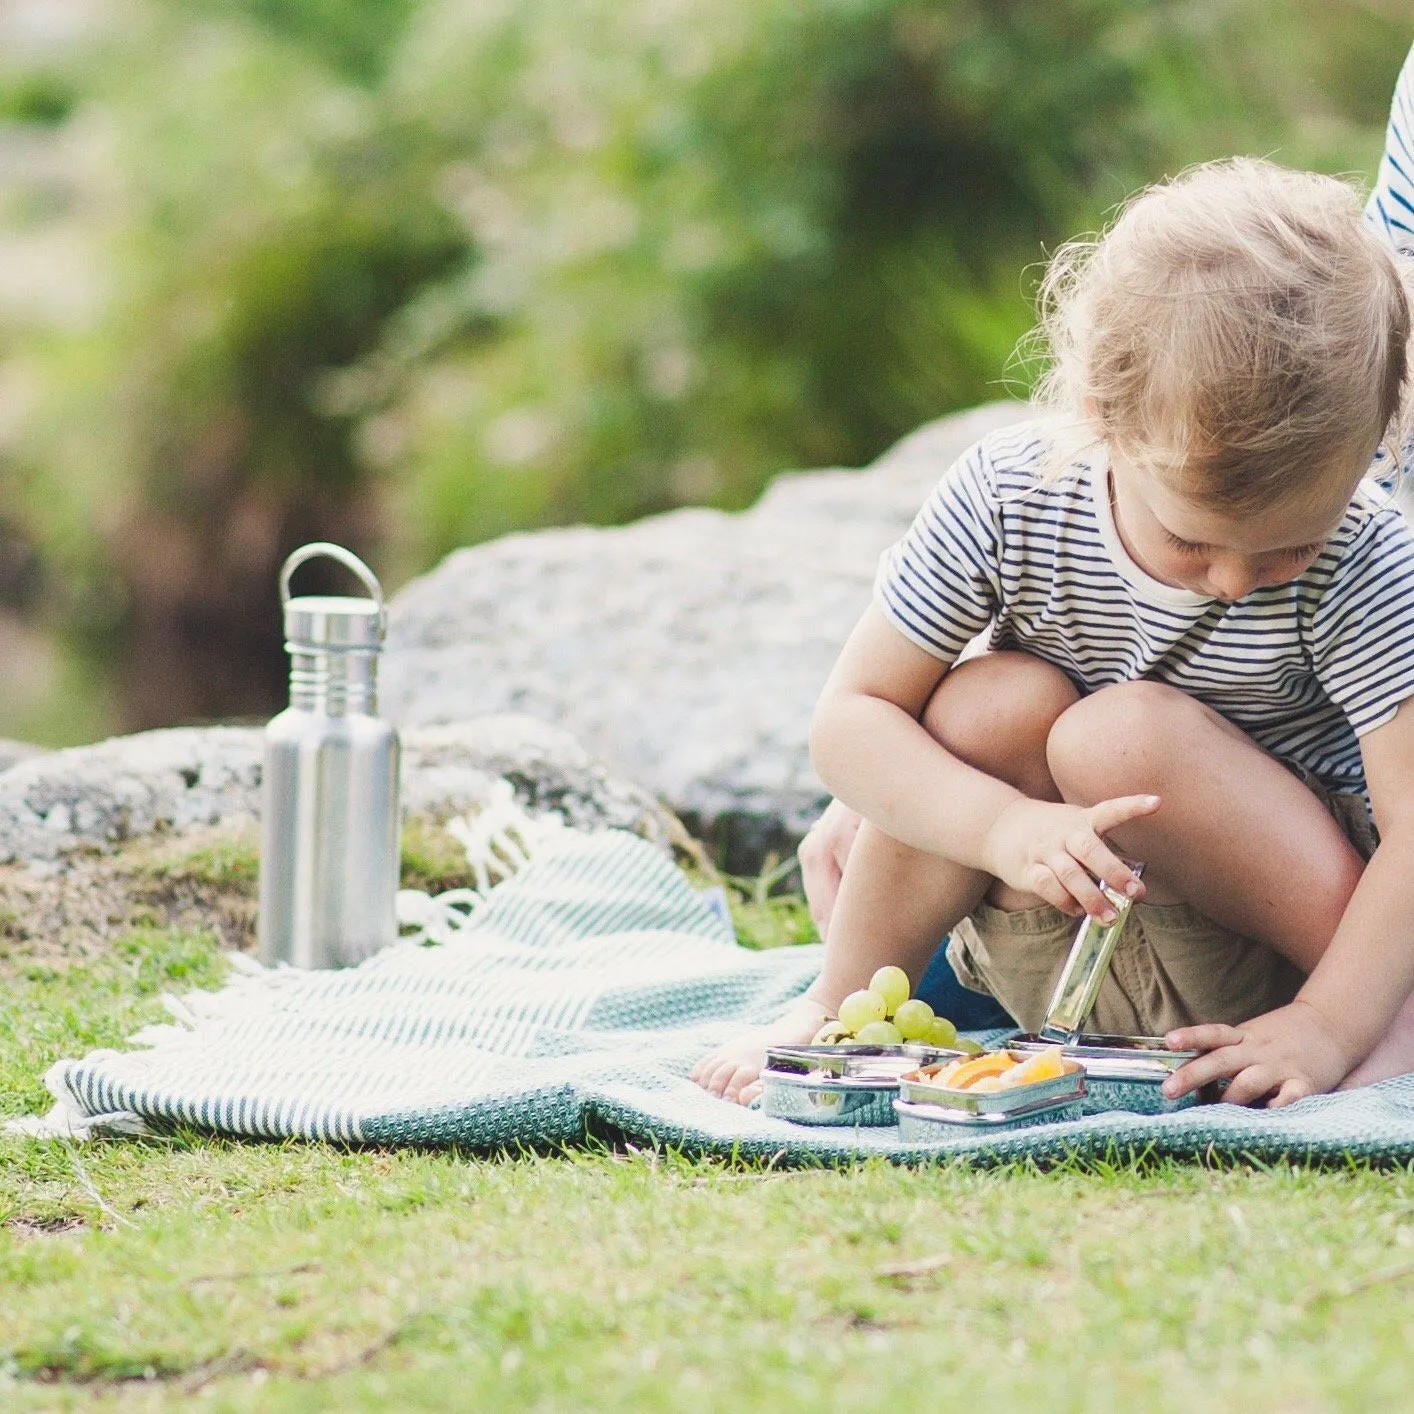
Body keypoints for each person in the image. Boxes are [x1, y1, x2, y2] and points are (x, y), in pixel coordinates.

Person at [692, 148, 1414, 1111]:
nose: (1235, 583)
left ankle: (1392, 1024)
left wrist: (1331, 1022)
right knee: (994, 700)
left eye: (1289, 547)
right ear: (1101, 412)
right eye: (1193, 541)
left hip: (1286, 970)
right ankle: (839, 1001)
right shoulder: (1011, 495)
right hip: (1055, 936)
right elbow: (852, 718)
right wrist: (1001, 826)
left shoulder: (1366, 555)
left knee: (1119, 736)